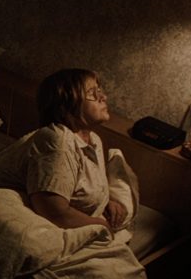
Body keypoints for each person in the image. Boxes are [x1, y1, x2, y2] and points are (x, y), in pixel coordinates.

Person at [9, 68, 126, 230]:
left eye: (99, 91)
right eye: (92, 93)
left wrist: (105, 202)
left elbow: (83, 184)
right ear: (66, 107)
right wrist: (101, 225)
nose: (103, 97)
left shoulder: (94, 140)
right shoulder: (57, 141)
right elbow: (53, 212)